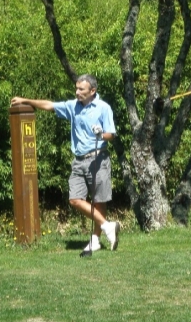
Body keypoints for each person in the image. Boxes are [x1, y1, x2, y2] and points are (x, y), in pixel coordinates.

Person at [11, 74, 119, 257]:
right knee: (75, 199)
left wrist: (101, 134)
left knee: (98, 200)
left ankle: (95, 241)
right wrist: (25, 100)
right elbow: (49, 105)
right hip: (79, 161)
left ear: (92, 91)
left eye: (81, 89)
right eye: (76, 89)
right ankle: (108, 226)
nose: (77, 92)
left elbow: (112, 134)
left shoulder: (103, 108)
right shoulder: (72, 106)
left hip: (98, 158)